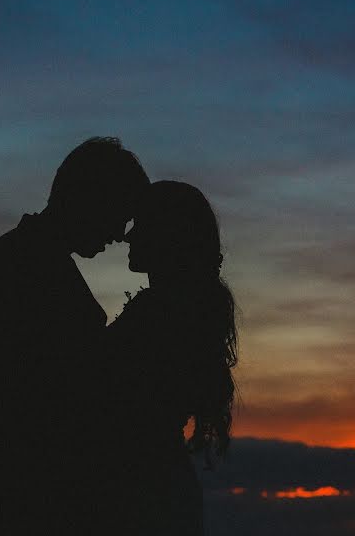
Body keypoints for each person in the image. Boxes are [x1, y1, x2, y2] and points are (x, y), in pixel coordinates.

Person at [0, 138, 150, 536]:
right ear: (91, 200)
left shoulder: (26, 257)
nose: (121, 235)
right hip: (12, 503)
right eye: (121, 215)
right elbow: (46, 397)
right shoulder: (25, 265)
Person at [94, 180, 237, 535]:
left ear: (167, 236)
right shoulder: (181, 311)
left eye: (139, 225)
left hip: (141, 496)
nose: (128, 236)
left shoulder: (160, 317)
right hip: (158, 490)